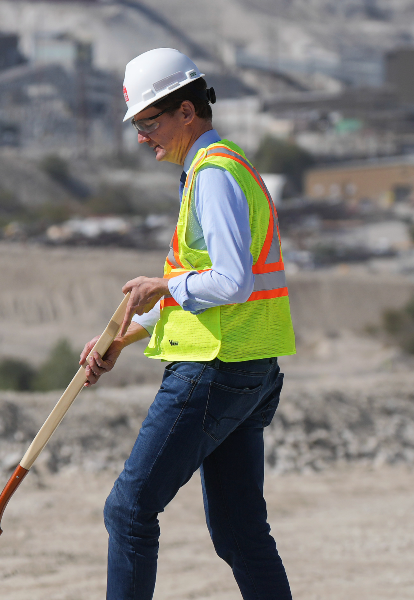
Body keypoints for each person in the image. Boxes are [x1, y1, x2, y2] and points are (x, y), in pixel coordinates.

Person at [79, 48, 296, 600]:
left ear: (185, 111)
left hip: (213, 371)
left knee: (128, 512)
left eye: (148, 123)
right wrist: (122, 337)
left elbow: (230, 282)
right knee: (240, 532)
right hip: (248, 366)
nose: (140, 137)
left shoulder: (213, 175)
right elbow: (209, 291)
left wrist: (162, 284)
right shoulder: (221, 166)